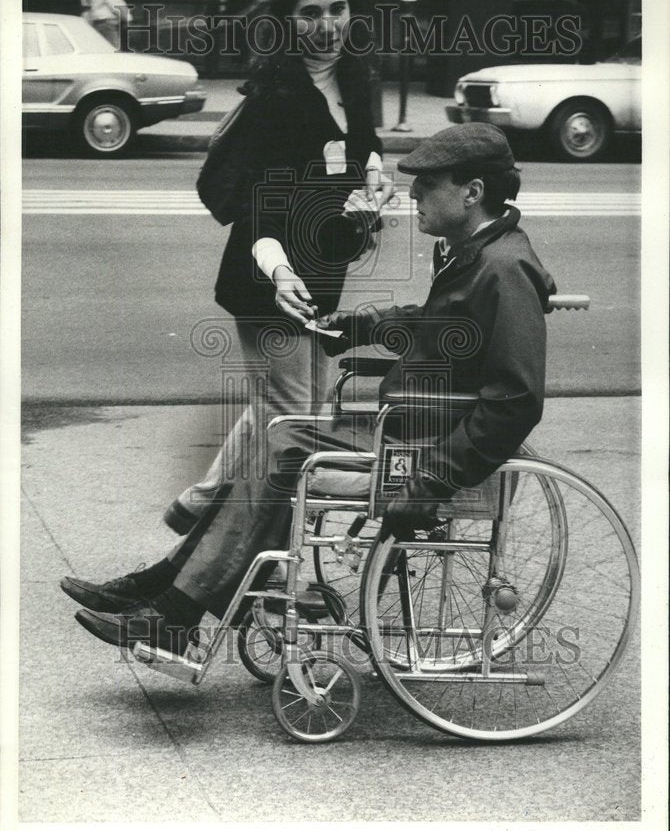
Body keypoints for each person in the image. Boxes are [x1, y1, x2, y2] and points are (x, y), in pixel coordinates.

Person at [62, 123, 556, 658]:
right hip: (411, 429)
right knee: (276, 438)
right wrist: (358, 327)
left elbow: (516, 400)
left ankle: (175, 608)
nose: (410, 193)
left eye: (427, 183)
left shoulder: (503, 269)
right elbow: (440, 323)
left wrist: (432, 479)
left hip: (425, 449)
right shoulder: (478, 250)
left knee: (282, 446)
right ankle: (165, 587)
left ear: (472, 191)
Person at [160, 0, 394, 536]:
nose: (328, 24)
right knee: (297, 428)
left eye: (338, 8)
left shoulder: (355, 75)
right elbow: (259, 205)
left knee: (287, 408)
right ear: (288, 21)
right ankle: (268, 580)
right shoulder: (277, 95)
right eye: (310, 13)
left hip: (318, 272)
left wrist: (374, 176)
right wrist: (280, 272)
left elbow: (363, 145)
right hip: (270, 276)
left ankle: (201, 502)